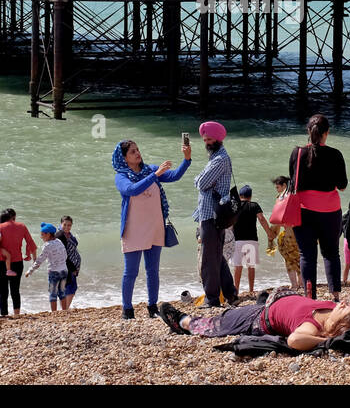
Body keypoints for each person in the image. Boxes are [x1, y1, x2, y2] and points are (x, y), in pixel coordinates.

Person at [159, 292, 350, 351]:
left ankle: (183, 321)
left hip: (259, 319)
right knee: (235, 312)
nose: (344, 303)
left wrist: (329, 339)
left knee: (217, 324)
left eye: (344, 309)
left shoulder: (313, 328)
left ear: (338, 326)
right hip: (277, 300)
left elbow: (295, 340)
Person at [115, 137, 191, 319]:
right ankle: (127, 310)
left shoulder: (150, 168)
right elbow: (132, 190)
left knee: (152, 269)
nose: (137, 153)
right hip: (133, 229)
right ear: (124, 158)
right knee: (131, 272)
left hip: (155, 226)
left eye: (137, 149)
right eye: (132, 151)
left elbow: (174, 176)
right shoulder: (121, 176)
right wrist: (155, 175)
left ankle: (152, 307)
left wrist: (186, 160)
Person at [288, 114, 348, 301]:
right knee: (331, 253)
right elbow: (342, 186)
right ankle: (335, 295)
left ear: (308, 131)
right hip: (330, 212)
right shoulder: (335, 154)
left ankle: (309, 297)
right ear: (327, 133)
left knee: (307, 255)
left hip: (304, 211)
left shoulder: (297, 153)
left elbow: (293, 183)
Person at [193, 121, 238, 308]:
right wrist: (201, 178)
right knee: (217, 256)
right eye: (204, 139)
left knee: (209, 258)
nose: (207, 142)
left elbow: (202, 183)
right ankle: (230, 294)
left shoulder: (219, 159)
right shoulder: (216, 157)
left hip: (212, 214)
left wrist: (198, 178)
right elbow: (204, 181)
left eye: (210, 139)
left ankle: (212, 298)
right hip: (213, 214)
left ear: (218, 139)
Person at [0, 208, 37, 317]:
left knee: (2, 292)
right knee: (15, 290)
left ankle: (4, 315)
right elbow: (30, 242)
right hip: (17, 262)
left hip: (1, 262)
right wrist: (33, 257)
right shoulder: (22, 226)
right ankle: (17, 314)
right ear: (14, 217)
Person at [230, 186, 273, 296]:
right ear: (250, 196)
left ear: (240, 196)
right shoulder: (254, 205)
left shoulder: (235, 206)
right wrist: (269, 233)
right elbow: (261, 219)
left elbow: (230, 223)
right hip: (251, 240)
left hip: (238, 240)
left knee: (238, 266)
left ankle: (236, 290)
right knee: (251, 266)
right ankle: (251, 290)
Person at [26, 223, 70, 311]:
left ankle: (54, 314)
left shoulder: (47, 246)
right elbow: (65, 256)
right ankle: (65, 312)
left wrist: (30, 271)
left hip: (54, 272)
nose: (41, 237)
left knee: (53, 294)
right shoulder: (59, 241)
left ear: (48, 234)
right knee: (62, 292)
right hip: (64, 270)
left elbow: (39, 261)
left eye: (42, 235)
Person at [268, 175, 302, 289]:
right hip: (299, 234)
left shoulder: (282, 199)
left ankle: (294, 285)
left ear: (284, 186)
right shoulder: (296, 197)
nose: (277, 190)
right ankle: (301, 283)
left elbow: (278, 221)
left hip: (288, 235)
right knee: (299, 259)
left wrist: (271, 236)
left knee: (289, 261)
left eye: (278, 187)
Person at [58, 215, 80, 309]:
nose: (67, 227)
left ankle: (65, 308)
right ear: (61, 224)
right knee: (71, 287)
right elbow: (63, 255)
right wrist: (73, 268)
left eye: (69, 225)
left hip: (69, 265)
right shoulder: (60, 236)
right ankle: (65, 308)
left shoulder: (68, 235)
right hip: (66, 266)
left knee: (67, 287)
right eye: (65, 225)